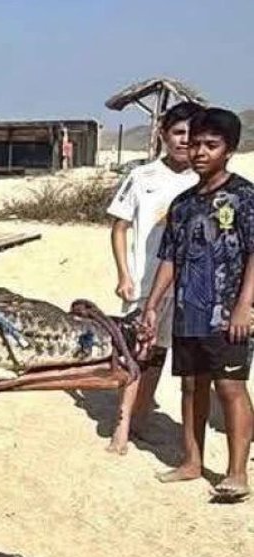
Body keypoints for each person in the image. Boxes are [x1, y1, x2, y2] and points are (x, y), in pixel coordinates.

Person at [142, 107, 254, 503]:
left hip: (229, 315)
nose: (201, 152)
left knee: (231, 387)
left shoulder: (244, 197)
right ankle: (191, 461)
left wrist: (244, 305)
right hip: (189, 308)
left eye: (212, 145)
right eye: (195, 144)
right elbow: (169, 258)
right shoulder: (183, 203)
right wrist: (153, 304)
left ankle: (237, 472)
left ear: (229, 150)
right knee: (191, 386)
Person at [104, 101, 202, 454]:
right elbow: (119, 227)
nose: (184, 141)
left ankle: (142, 415)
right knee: (135, 350)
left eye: (190, 135)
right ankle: (122, 422)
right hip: (145, 281)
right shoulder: (142, 177)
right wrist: (124, 274)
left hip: (187, 287)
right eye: (177, 133)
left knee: (159, 352)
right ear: (163, 134)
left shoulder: (201, 179)